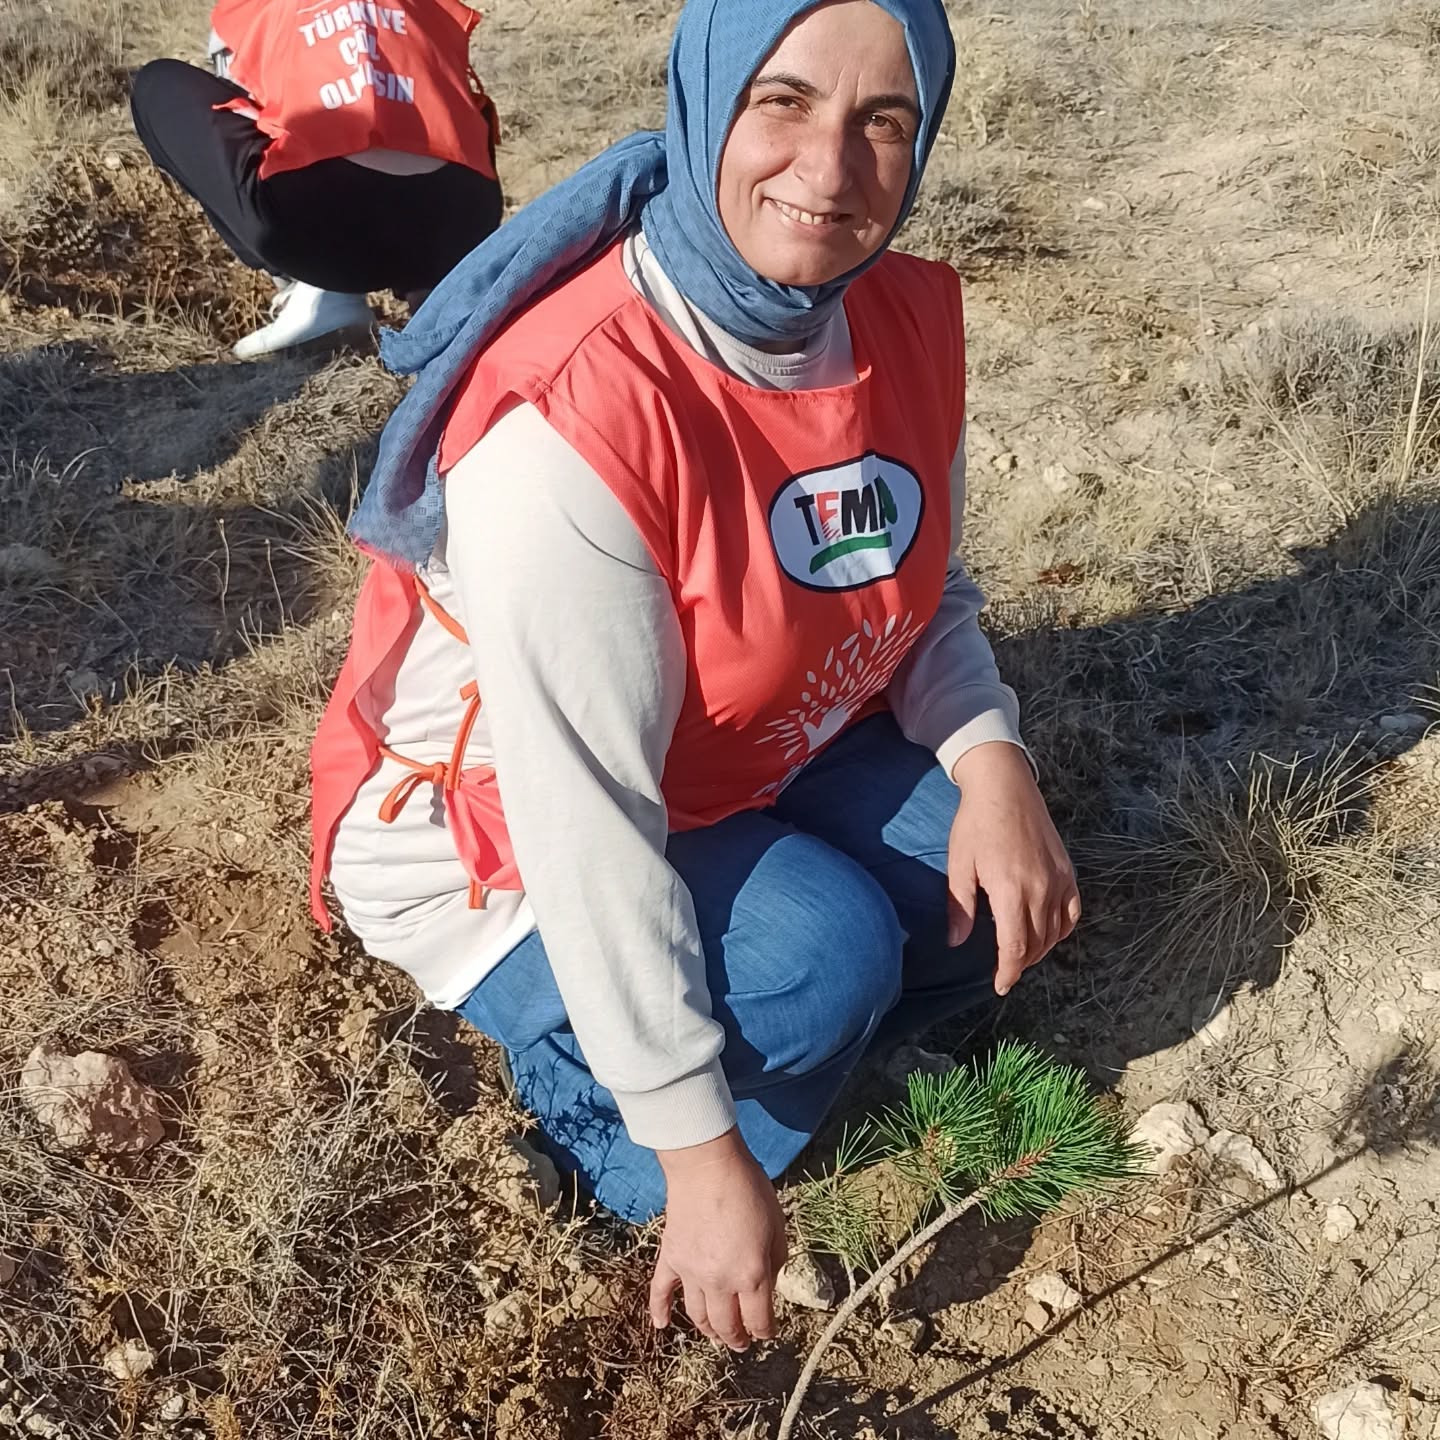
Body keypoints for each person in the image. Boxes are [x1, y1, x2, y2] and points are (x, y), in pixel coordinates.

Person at [310, 0, 1081, 1353]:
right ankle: (607, 1144)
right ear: (707, 97)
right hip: (494, 828)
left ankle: (781, 1065)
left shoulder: (896, 316)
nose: (830, 169)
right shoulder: (577, 412)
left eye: (883, 120)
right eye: (783, 101)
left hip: (733, 749)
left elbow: (921, 586)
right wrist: (696, 1154)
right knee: (825, 957)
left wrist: (994, 760)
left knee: (974, 897)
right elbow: (583, 812)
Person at [129, 0, 503, 358]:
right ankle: (437, 293)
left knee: (157, 83)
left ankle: (310, 294)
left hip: (322, 233)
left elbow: (241, 93)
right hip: (460, 223)